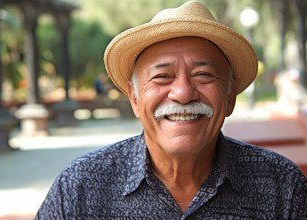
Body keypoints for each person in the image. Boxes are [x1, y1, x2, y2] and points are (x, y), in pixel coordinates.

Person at [36, 1, 307, 219]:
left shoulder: (282, 186)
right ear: (135, 99)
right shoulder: (81, 187)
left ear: (230, 98)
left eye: (204, 75)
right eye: (162, 76)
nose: (183, 93)